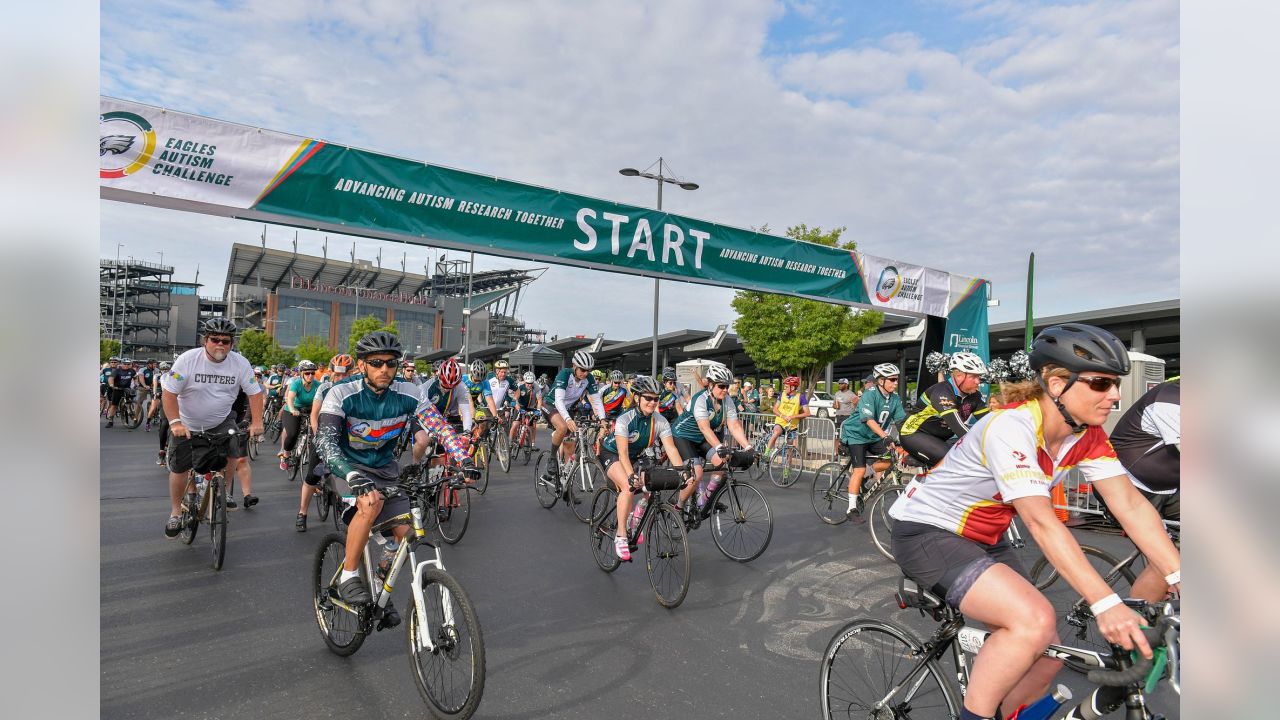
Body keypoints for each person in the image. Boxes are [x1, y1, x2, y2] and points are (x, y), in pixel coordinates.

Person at [887, 325, 1180, 720]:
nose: (1114, 395)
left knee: (1048, 653)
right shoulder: (1011, 427)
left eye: (1116, 384)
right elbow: (1040, 522)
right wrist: (1105, 602)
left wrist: (1177, 576)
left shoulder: (1087, 435)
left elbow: (1129, 503)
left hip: (984, 537)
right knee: (1033, 621)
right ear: (1056, 384)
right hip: (928, 530)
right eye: (1101, 383)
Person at [316, 331, 476, 616]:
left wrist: (464, 458)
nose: (384, 369)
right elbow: (326, 442)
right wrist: (351, 475)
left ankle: (378, 585)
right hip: (347, 467)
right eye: (376, 362)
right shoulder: (341, 393)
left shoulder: (409, 393)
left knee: (408, 535)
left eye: (391, 363)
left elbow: (438, 426)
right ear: (362, 364)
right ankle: (348, 576)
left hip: (385, 470)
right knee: (370, 502)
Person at [160, 318, 264, 538]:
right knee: (180, 468)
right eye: (215, 340)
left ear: (232, 344)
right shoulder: (188, 360)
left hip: (220, 420)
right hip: (186, 422)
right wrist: (175, 423)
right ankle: (176, 512)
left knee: (234, 447)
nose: (220, 345)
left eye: (225, 341)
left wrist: (257, 422)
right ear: (205, 340)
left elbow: (255, 393)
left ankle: (224, 491)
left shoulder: (240, 363)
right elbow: (169, 392)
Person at [1106, 376, 1180, 602]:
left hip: (1170, 486)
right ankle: (1137, 632)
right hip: (1130, 487)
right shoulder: (1170, 401)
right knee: (1166, 561)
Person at [600, 375, 687, 561]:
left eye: (656, 398)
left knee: (652, 484)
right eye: (648, 398)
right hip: (612, 453)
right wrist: (631, 475)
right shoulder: (626, 419)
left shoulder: (660, 421)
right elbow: (622, 453)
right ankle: (621, 536)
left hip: (636, 455)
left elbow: (670, 448)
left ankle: (635, 517)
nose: (653, 402)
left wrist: (681, 470)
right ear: (638, 398)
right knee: (628, 487)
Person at [669, 364, 752, 511]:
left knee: (722, 463)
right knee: (697, 474)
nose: (725, 390)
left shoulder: (728, 401)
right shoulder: (700, 399)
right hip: (683, 436)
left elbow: (734, 426)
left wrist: (748, 447)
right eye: (721, 386)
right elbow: (704, 428)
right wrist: (719, 447)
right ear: (711, 385)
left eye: (727, 386)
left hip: (701, 438)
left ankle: (705, 499)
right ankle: (679, 506)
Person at [899, 352, 990, 467]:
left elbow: (988, 422)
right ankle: (924, 483)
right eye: (973, 377)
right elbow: (959, 429)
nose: (978, 381)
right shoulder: (942, 392)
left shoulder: (974, 396)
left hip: (938, 438)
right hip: (914, 434)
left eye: (979, 376)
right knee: (951, 461)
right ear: (959, 375)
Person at [840, 363, 905, 520]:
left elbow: (902, 422)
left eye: (897, 379)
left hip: (874, 436)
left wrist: (910, 440)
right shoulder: (870, 394)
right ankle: (851, 509)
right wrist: (885, 436)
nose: (896, 383)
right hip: (857, 435)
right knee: (859, 469)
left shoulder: (895, 399)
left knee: (893, 459)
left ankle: (868, 473)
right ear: (881, 380)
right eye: (893, 379)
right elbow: (868, 420)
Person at [297, 354, 355, 531]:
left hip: (347, 439)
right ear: (330, 373)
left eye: (345, 375)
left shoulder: (356, 390)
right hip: (324, 435)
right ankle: (302, 513)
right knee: (312, 476)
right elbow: (314, 415)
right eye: (337, 375)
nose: (340, 378)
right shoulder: (324, 387)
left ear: (352, 373)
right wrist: (319, 438)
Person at [541, 350, 606, 488]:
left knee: (570, 445)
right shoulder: (565, 374)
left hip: (568, 409)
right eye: (582, 370)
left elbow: (596, 400)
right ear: (574, 366)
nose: (585, 373)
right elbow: (559, 400)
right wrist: (568, 419)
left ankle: (566, 485)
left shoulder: (588, 379)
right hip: (551, 405)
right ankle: (552, 457)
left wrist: (602, 419)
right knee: (563, 427)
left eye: (588, 370)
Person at [414, 358, 475, 465]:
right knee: (424, 441)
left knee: (459, 443)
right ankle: (415, 463)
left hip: (444, 417)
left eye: (451, 387)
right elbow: (422, 414)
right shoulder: (427, 387)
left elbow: (466, 412)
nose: (447, 389)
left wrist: (466, 433)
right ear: (439, 377)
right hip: (422, 416)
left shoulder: (461, 387)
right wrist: (430, 433)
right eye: (444, 385)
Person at [278, 359, 320, 473]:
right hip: (293, 410)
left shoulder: (318, 385)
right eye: (307, 373)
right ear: (302, 374)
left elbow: (323, 400)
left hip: (310, 410)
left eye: (313, 373)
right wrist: (292, 409)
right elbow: (290, 399)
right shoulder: (296, 383)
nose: (310, 375)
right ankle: (286, 456)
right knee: (292, 434)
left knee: (316, 433)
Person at [763, 376, 809, 457]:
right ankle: (766, 453)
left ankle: (787, 468)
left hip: (792, 425)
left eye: (786, 386)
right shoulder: (782, 395)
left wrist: (793, 416)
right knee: (776, 432)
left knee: (789, 449)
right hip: (780, 421)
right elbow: (775, 409)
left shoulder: (801, 397)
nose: (784, 388)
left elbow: (807, 413)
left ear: (793, 387)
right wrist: (782, 415)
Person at [512, 370, 543, 448]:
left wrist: (538, 410)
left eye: (531, 383)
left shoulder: (536, 387)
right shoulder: (519, 385)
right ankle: (511, 441)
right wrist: (518, 408)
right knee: (516, 424)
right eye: (528, 383)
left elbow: (539, 400)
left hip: (531, 407)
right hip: (520, 406)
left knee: (533, 426)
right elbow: (515, 399)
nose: (529, 385)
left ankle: (532, 444)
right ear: (524, 381)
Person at [105, 357, 139, 428]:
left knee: (129, 403)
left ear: (130, 364)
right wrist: (112, 385)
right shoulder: (117, 371)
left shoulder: (132, 371)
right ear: (122, 364)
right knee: (114, 405)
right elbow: (111, 378)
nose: (126, 365)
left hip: (127, 389)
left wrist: (136, 384)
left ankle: (131, 413)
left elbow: (135, 378)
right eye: (125, 364)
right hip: (117, 389)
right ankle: (110, 420)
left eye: (128, 364)